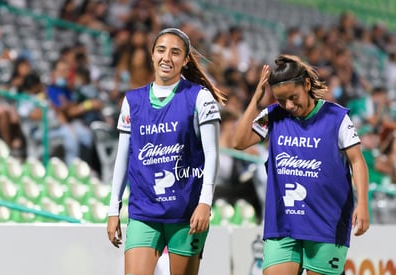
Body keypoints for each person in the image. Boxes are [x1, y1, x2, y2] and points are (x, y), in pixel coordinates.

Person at [232, 54, 370, 275]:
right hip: (283, 223)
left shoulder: (336, 117)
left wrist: (362, 203)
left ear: (306, 84)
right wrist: (255, 100)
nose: (288, 105)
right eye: (281, 100)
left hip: (327, 224)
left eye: (293, 97)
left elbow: (358, 161)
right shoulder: (274, 116)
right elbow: (238, 142)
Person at [106, 27, 225, 275]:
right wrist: (113, 209)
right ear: (152, 55)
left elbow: (212, 154)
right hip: (143, 211)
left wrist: (205, 202)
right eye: (161, 50)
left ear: (185, 60)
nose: (166, 58)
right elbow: (123, 157)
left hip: (187, 212)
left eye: (175, 52)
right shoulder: (132, 100)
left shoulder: (200, 98)